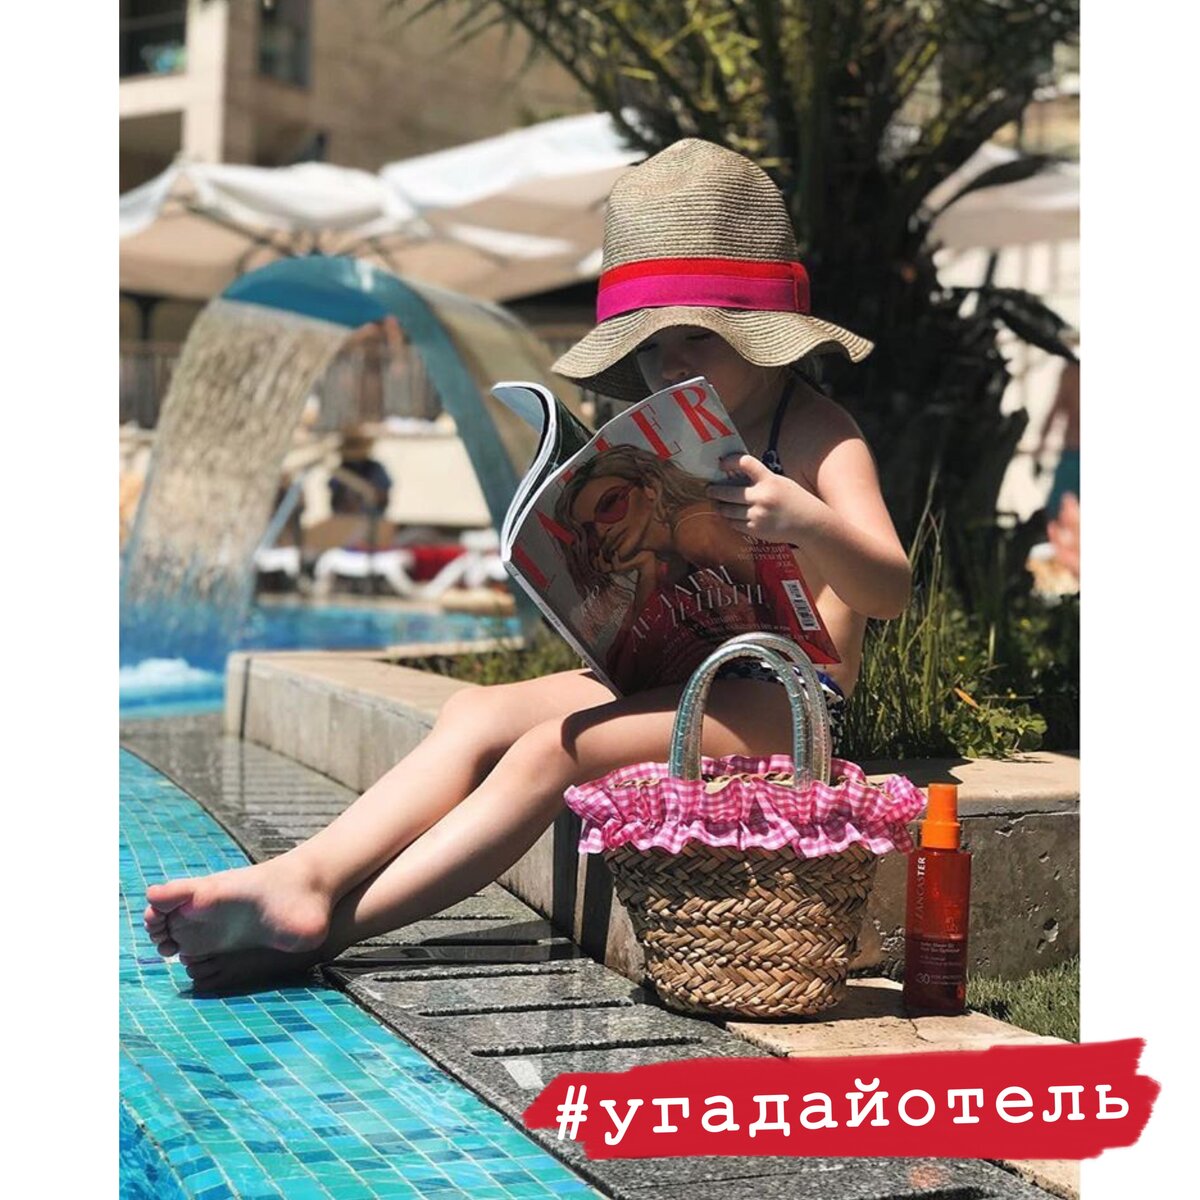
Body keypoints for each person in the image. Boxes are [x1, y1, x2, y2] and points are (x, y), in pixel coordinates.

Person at [143, 139, 911, 992]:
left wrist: (807, 522)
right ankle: (307, 874)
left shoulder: (817, 433)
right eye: (651, 347)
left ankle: (324, 931)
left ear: (763, 335)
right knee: (473, 711)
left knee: (553, 750)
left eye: (699, 337)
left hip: (781, 704)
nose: (672, 364)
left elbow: (889, 588)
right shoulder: (670, 432)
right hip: (681, 675)